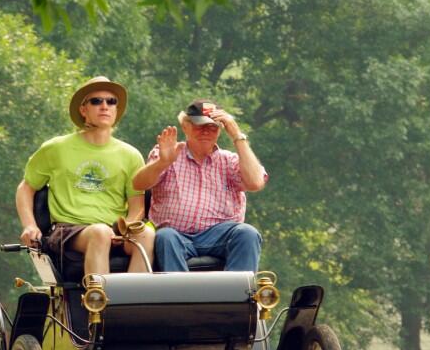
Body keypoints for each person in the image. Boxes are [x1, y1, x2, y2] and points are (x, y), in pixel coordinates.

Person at [15, 76, 155, 277]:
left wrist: (125, 230)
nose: (105, 106)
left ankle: (132, 305)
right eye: (96, 101)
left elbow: (137, 206)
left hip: (115, 230)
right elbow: (26, 188)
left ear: (116, 109)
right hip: (69, 231)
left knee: (147, 234)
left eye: (111, 101)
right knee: (100, 232)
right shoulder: (56, 148)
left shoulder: (130, 155)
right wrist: (29, 225)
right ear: (83, 110)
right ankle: (98, 305)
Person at [132, 99, 267, 272]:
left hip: (220, 235)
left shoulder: (230, 160)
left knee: (248, 234)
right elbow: (139, 184)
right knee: (165, 237)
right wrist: (163, 162)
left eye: (213, 127)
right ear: (185, 126)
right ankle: (181, 297)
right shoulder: (168, 153)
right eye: (199, 125)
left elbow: (255, 182)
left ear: (220, 130)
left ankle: (235, 296)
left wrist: (237, 135)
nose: (206, 132)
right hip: (176, 234)